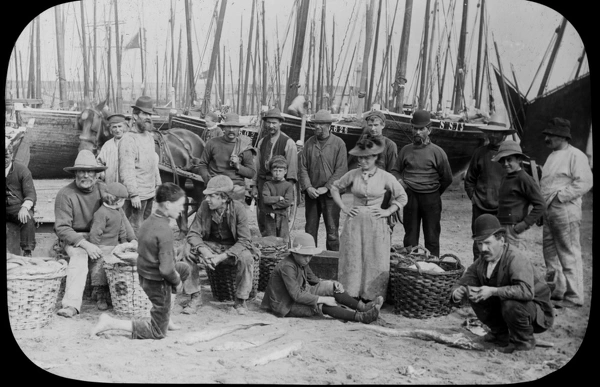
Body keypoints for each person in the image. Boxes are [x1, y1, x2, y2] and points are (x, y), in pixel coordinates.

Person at [90, 183, 192, 339]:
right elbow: (166, 270)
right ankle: (110, 322)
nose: (182, 209)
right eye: (179, 205)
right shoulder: (165, 231)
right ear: (167, 204)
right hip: (156, 278)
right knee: (157, 332)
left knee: (184, 268)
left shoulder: (150, 220)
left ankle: (166, 315)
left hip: (144, 271)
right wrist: (177, 282)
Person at [450, 214, 554, 353]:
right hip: (509, 307)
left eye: (488, 243)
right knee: (473, 292)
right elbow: (461, 283)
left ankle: (524, 341)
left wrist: (493, 291)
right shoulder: (482, 261)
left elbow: (527, 292)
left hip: (536, 312)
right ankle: (500, 334)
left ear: (501, 240)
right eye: (479, 243)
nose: (483, 249)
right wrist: (457, 292)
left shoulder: (515, 258)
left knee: (511, 303)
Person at [330, 136, 407, 302]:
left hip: (376, 223)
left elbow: (402, 197)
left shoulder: (385, 177)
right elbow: (335, 187)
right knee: (353, 257)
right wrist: (344, 207)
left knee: (375, 258)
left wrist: (388, 211)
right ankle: (351, 294)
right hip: (355, 222)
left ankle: (372, 296)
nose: (363, 161)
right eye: (360, 157)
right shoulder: (353, 175)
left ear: (375, 158)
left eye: (367, 157)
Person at [261, 232, 383, 323]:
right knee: (319, 305)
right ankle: (360, 317)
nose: (308, 259)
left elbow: (314, 280)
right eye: (305, 256)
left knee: (331, 287)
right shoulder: (287, 267)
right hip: (285, 304)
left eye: (310, 256)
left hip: (298, 295)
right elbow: (296, 295)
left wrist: (332, 283)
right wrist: (322, 299)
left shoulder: (301, 262)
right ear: (294, 253)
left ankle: (362, 307)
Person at [55, 150, 118, 317]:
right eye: (81, 171)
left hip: (99, 235)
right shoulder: (65, 194)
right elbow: (62, 228)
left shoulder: (104, 189)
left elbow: (118, 214)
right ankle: (71, 305)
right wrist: (85, 243)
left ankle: (112, 296)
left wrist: (130, 240)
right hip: (75, 239)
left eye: (89, 171)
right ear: (75, 173)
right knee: (79, 256)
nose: (85, 175)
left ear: (96, 174)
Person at [186, 175, 260, 315]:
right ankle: (195, 296)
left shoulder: (238, 209)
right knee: (187, 251)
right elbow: (193, 233)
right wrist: (205, 251)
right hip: (211, 245)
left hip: (232, 246)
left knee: (247, 257)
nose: (207, 199)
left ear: (224, 198)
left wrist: (220, 257)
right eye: (207, 196)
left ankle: (240, 300)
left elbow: (244, 240)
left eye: (212, 196)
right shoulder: (204, 206)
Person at [539, 118, 593, 309]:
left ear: (562, 136)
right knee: (550, 253)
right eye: (547, 134)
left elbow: (585, 182)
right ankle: (557, 290)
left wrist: (560, 197)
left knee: (569, 251)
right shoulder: (552, 156)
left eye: (551, 135)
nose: (547, 138)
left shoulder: (575, 155)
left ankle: (575, 295)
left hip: (565, 210)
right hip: (549, 210)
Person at [391, 110, 453, 257]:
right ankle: (411, 268)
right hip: (410, 197)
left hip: (431, 198)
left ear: (429, 130)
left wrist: (434, 193)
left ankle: (432, 268)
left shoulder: (437, 152)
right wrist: (403, 186)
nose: (417, 132)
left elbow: (447, 178)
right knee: (410, 237)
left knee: (432, 237)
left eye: (421, 129)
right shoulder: (406, 150)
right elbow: (395, 171)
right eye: (415, 128)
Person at [464, 114, 516, 260]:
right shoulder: (480, 153)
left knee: (500, 242)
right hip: (480, 206)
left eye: (497, 133)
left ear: (504, 135)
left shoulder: (510, 155)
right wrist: (474, 198)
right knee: (480, 241)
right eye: (490, 132)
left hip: (502, 209)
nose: (493, 136)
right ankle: (478, 273)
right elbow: (469, 180)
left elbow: (518, 182)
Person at [298, 109, 348, 251]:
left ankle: (332, 264)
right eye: (315, 124)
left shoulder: (339, 144)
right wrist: (308, 187)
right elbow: (302, 167)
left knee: (332, 231)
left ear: (329, 125)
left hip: (331, 195)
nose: (317, 127)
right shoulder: (309, 143)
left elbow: (341, 169)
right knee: (310, 230)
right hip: (312, 194)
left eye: (321, 124)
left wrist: (326, 187)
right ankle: (309, 261)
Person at [118, 96, 162, 235]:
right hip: (137, 196)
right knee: (134, 228)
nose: (148, 117)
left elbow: (153, 163)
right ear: (135, 116)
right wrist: (134, 194)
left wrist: (158, 184)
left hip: (149, 193)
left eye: (150, 114)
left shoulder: (149, 137)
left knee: (145, 226)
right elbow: (127, 170)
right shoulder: (128, 139)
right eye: (145, 114)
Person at [490, 140, 545, 249]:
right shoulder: (506, 177)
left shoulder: (524, 179)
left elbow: (541, 205)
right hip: (501, 226)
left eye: (509, 160)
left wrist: (524, 224)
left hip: (515, 229)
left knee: (515, 261)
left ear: (519, 159)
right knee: (502, 260)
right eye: (502, 161)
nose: (505, 164)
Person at [252, 108, 298, 235]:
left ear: (280, 123)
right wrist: (254, 186)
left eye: (274, 123)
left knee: (280, 222)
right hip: (263, 184)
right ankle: (267, 248)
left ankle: (281, 249)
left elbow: (292, 170)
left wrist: (288, 192)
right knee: (263, 219)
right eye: (268, 123)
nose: (271, 126)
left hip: (280, 187)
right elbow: (257, 165)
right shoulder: (262, 142)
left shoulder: (288, 143)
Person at [197, 112, 256, 201]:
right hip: (215, 186)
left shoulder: (244, 146)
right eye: (228, 126)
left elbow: (251, 173)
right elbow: (202, 164)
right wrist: (209, 181)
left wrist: (238, 166)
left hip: (235, 187)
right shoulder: (212, 143)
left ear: (239, 128)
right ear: (223, 128)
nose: (231, 130)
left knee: (236, 212)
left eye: (235, 127)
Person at [5, 143, 37, 257]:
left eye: (6, 157)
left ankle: (27, 251)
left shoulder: (22, 170)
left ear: (12, 155)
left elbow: (31, 193)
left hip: (16, 207)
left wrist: (24, 207)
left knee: (27, 218)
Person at [261, 155, 295, 241]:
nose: (277, 173)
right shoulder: (267, 185)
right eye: (275, 170)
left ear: (285, 171)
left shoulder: (288, 185)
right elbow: (266, 199)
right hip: (269, 216)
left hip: (282, 215)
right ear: (271, 171)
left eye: (280, 171)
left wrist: (273, 206)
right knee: (270, 239)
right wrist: (279, 198)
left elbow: (287, 202)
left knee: (283, 238)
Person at [97, 113, 128, 184]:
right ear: (111, 130)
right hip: (110, 184)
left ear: (124, 128)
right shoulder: (107, 145)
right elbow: (99, 162)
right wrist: (102, 174)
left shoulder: (130, 142)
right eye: (114, 127)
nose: (117, 130)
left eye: (120, 126)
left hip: (127, 184)